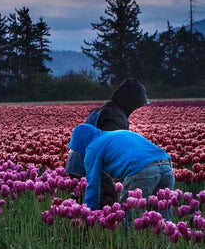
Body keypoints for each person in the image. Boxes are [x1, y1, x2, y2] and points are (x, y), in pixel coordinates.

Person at [65, 78, 148, 206]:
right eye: (137, 106)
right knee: (106, 203)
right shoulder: (114, 116)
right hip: (92, 166)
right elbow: (111, 151)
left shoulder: (101, 110)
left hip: (76, 165)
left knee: (83, 204)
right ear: (130, 102)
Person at [71, 123, 175, 217]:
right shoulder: (117, 134)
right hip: (166, 165)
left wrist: (89, 213)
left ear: (80, 142)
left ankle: (132, 238)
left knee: (130, 217)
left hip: (141, 170)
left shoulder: (93, 148)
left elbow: (93, 184)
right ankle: (164, 238)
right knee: (163, 216)